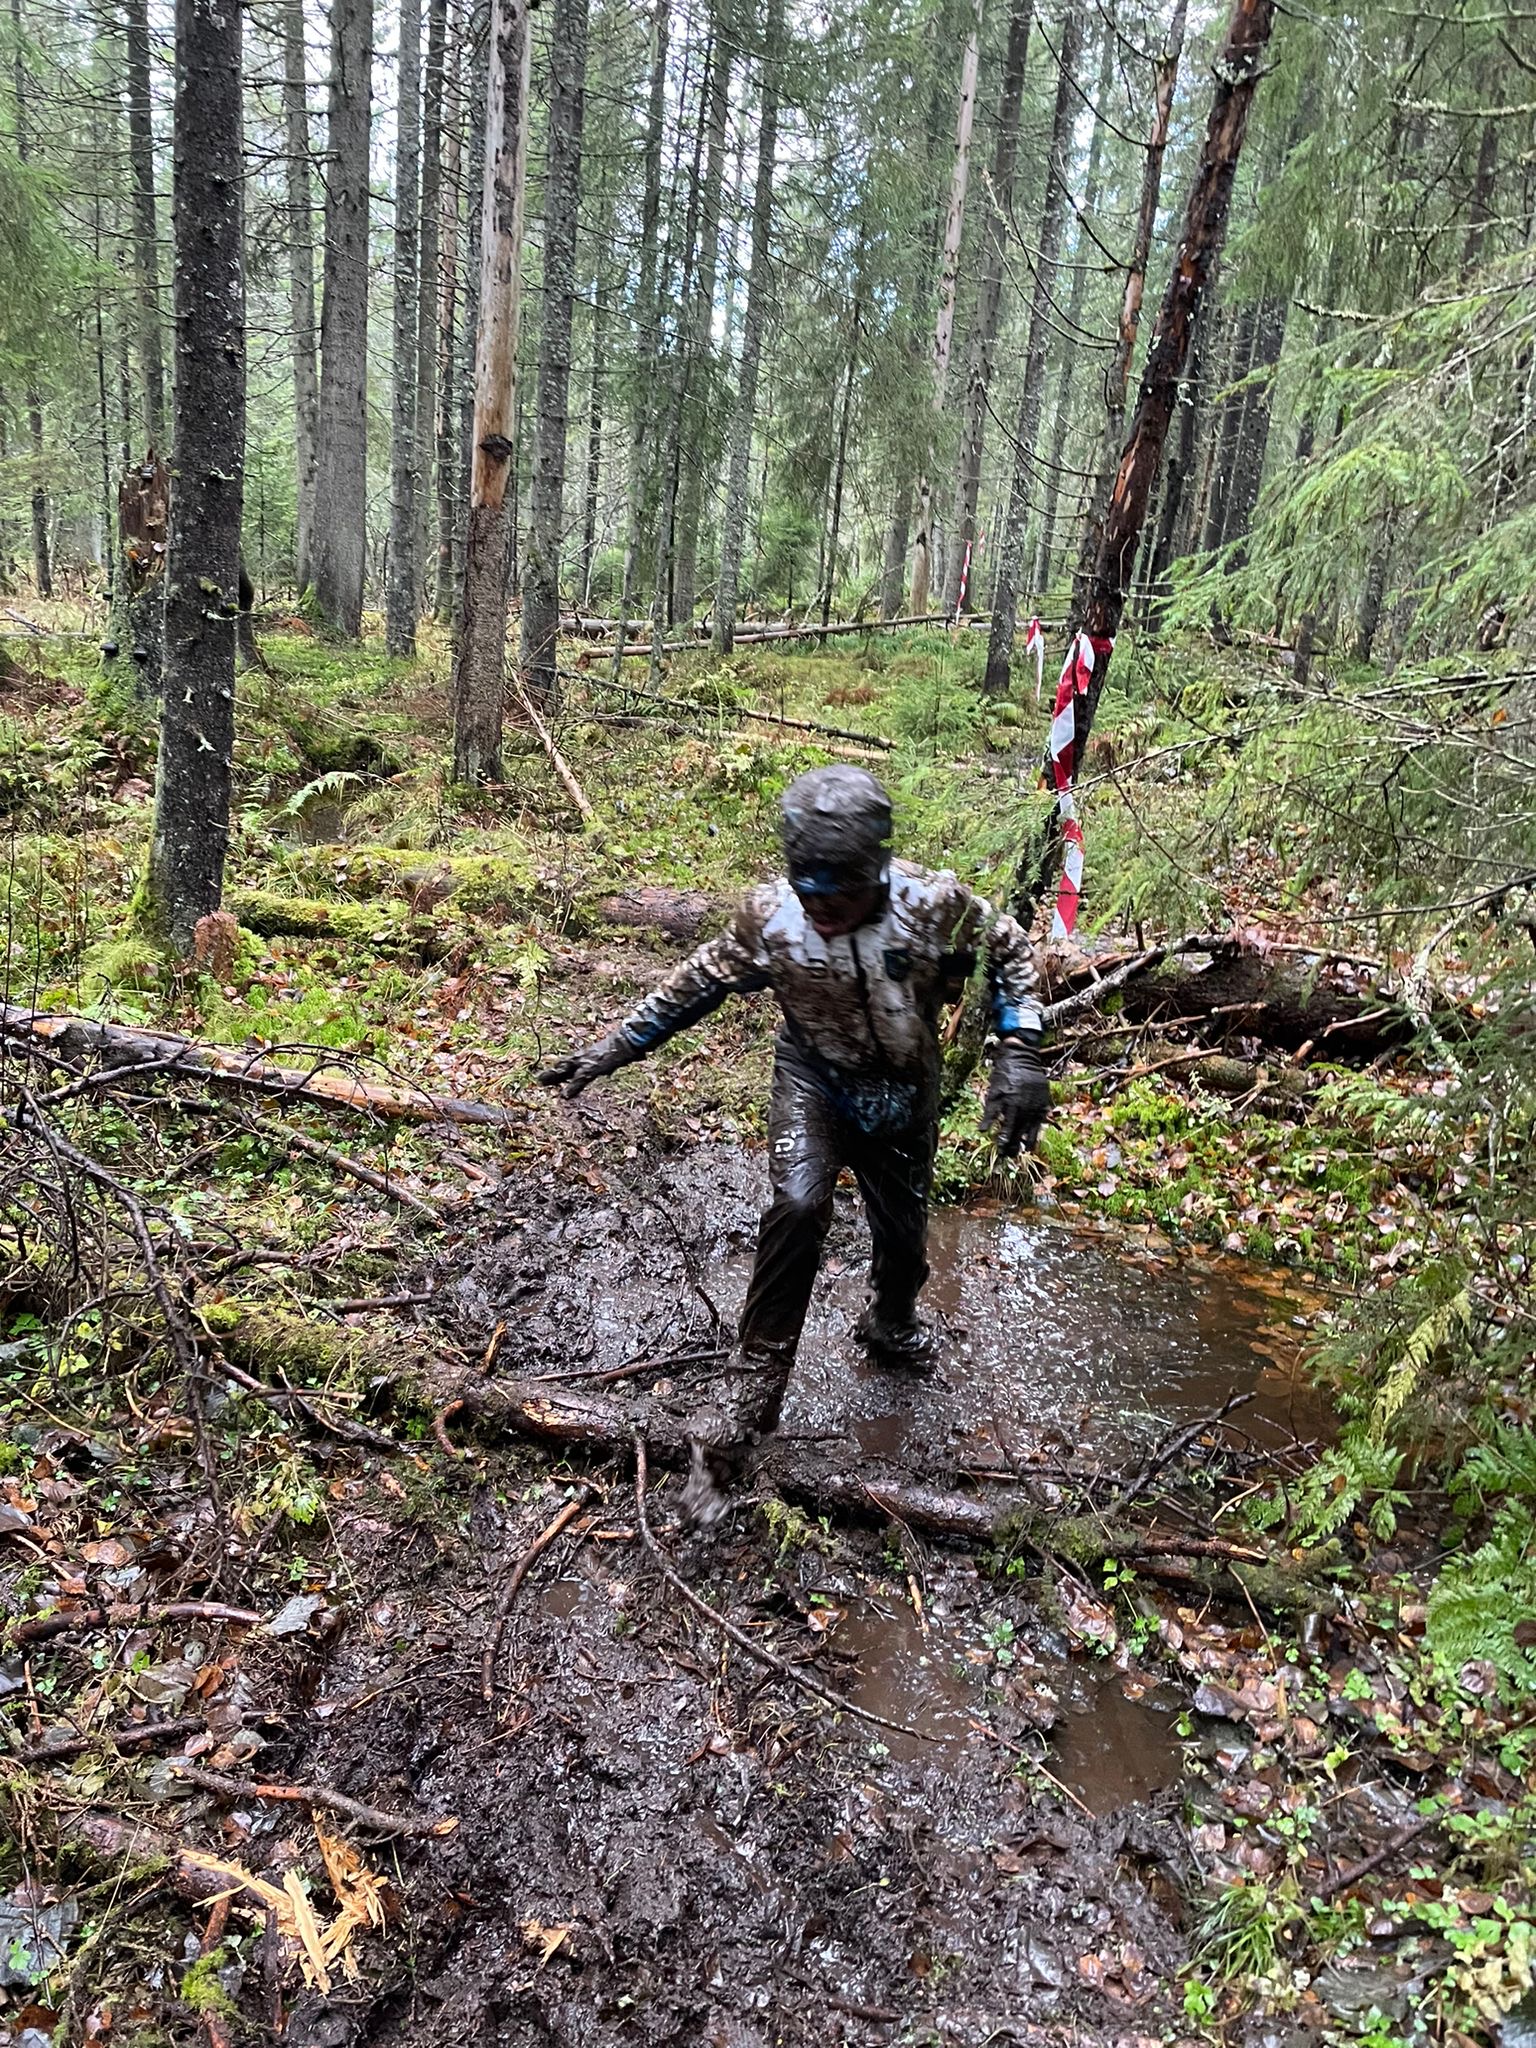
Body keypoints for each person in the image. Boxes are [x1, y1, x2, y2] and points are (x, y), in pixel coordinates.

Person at [537, 765, 1049, 1515]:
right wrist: (613, 1048)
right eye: (812, 894)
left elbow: (1010, 952)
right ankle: (755, 1382)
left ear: (875, 873)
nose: (826, 910)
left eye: (841, 893)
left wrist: (1022, 1050)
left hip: (906, 1090)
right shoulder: (770, 920)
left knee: (902, 1244)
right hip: (814, 1078)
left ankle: (891, 1319)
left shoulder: (933, 907)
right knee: (799, 1202)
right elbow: (693, 985)